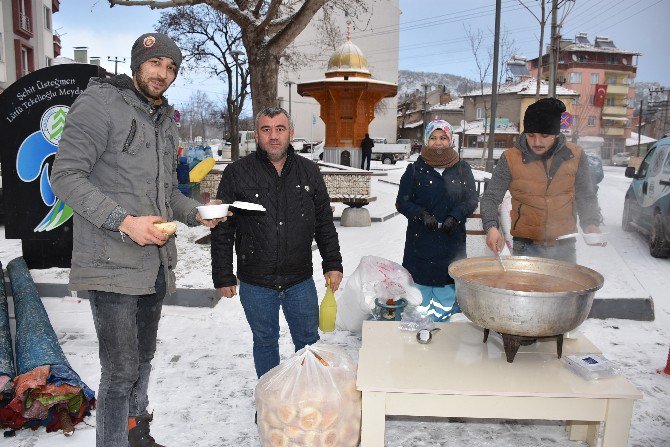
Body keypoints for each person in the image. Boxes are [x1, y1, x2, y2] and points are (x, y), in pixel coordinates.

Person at [51, 33, 226, 447]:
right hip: (109, 263)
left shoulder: (163, 120)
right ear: (137, 63)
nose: (163, 74)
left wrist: (196, 213)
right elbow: (65, 176)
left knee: (143, 360)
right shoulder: (100, 104)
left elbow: (166, 194)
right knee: (119, 371)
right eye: (156, 63)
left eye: (171, 68)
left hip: (152, 266)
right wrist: (124, 222)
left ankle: (137, 435)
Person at [211, 107, 343, 381]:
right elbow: (223, 227)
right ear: (257, 135)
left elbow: (324, 223)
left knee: (308, 343)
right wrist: (223, 275)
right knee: (265, 342)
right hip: (256, 282)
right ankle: (270, 402)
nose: (274, 136)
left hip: (299, 280)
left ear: (291, 133)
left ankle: (308, 398)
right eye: (266, 129)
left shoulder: (309, 172)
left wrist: (332, 263)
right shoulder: (237, 173)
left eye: (280, 129)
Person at [480, 97, 603, 264]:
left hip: (564, 246)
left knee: (562, 290)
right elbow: (490, 197)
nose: (537, 142)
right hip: (525, 246)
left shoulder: (576, 155)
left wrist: (591, 223)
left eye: (544, 135)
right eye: (531, 135)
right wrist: (491, 227)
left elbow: (586, 195)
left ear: (556, 133)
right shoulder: (510, 158)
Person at [396, 120, 479, 316]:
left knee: (447, 289)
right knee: (419, 294)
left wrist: (455, 217)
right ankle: (420, 329)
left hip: (451, 242)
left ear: (450, 141)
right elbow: (402, 202)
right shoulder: (415, 170)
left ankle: (443, 326)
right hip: (421, 242)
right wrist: (421, 214)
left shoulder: (462, 169)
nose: (438, 142)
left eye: (443, 138)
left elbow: (471, 199)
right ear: (426, 141)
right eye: (433, 138)